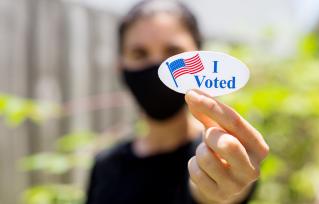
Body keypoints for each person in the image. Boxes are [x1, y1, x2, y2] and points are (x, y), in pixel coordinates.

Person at [85, 0, 269, 203]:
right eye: (139, 54)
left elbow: (219, 189)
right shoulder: (105, 166)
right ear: (121, 68)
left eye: (173, 53)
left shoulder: (218, 154)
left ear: (200, 58)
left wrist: (220, 192)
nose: (157, 66)